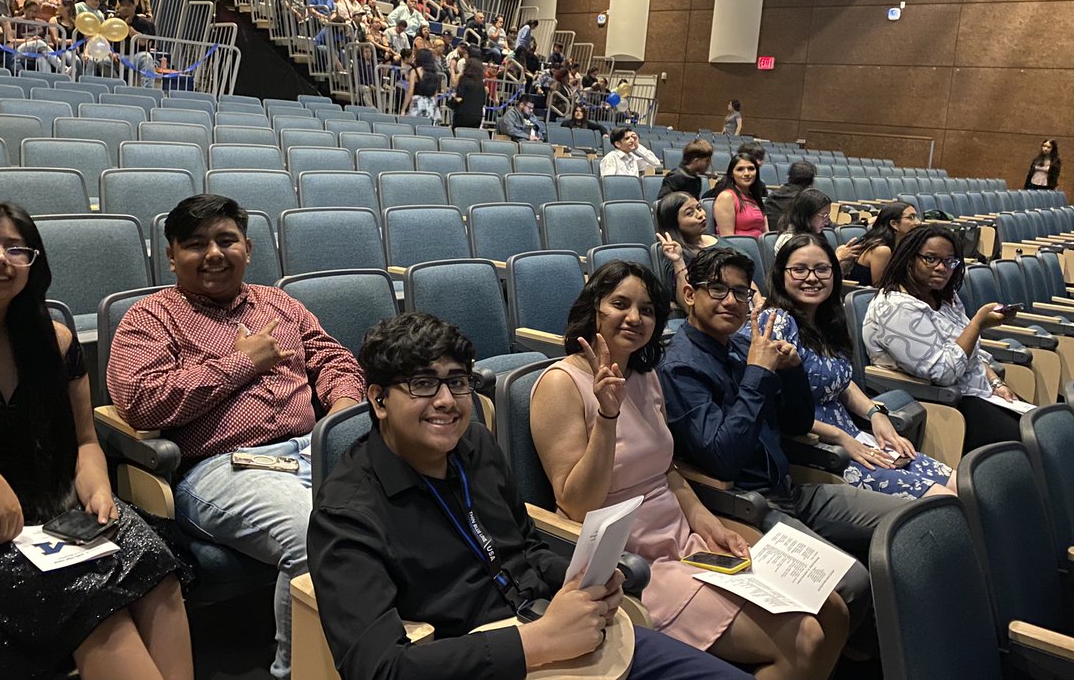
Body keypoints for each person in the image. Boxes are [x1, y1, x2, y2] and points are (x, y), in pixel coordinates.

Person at [309, 311, 751, 680]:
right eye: (422, 384)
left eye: (457, 382)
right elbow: (378, 669)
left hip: (554, 624)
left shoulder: (476, 446)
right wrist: (536, 642)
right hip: (483, 660)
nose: (446, 400)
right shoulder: (346, 513)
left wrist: (582, 583)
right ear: (379, 400)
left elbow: (526, 546)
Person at [530, 262, 848, 677]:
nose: (634, 318)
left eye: (647, 310)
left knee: (834, 609)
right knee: (804, 638)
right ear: (594, 310)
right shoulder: (560, 383)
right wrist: (607, 418)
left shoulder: (644, 376)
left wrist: (707, 522)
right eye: (620, 304)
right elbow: (575, 505)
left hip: (684, 541)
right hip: (633, 562)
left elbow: (667, 471)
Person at [106, 194, 366, 680]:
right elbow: (141, 399)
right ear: (170, 255)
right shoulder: (150, 317)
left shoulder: (279, 302)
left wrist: (344, 412)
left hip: (314, 445)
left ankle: (380, 653)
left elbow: (333, 359)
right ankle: (299, 671)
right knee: (316, 533)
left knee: (403, 501)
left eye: (226, 240)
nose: (213, 254)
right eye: (195, 244)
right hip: (223, 467)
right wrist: (242, 363)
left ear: (247, 247)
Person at [0, 202, 192, 680]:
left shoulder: (56, 341)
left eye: (17, 250)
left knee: (156, 567)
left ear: (34, 265)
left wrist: (96, 487)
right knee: (87, 598)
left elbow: (86, 440)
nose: (0, 260)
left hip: (53, 508)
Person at [658, 247, 903, 631]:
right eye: (717, 290)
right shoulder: (680, 367)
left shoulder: (743, 347)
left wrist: (791, 372)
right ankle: (847, 652)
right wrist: (758, 373)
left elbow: (798, 423)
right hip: (746, 505)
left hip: (791, 487)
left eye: (741, 293)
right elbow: (723, 457)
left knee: (907, 520)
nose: (731, 301)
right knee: (854, 582)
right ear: (690, 295)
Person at [761, 234, 954, 498]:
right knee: (942, 499)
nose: (812, 278)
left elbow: (840, 383)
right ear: (781, 275)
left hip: (854, 438)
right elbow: (776, 408)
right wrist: (843, 439)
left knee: (958, 483)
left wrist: (876, 414)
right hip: (818, 449)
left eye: (822, 269)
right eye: (799, 270)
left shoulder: (828, 321)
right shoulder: (777, 323)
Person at [862, 225, 1023, 454]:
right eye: (931, 259)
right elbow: (944, 373)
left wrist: (996, 382)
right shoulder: (895, 308)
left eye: (950, 261)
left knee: (1042, 427)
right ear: (909, 260)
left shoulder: (945, 298)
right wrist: (976, 324)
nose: (942, 268)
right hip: (945, 403)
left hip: (980, 391)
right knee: (1029, 446)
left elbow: (972, 354)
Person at [655, 191, 731, 311]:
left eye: (699, 208)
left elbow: (739, 274)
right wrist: (678, 261)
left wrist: (757, 300)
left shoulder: (717, 240)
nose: (701, 215)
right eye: (690, 213)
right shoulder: (673, 255)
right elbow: (689, 307)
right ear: (674, 224)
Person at [774, 188, 861, 273]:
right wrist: (838, 258)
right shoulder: (788, 239)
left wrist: (843, 264)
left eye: (828, 215)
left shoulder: (815, 236)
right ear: (807, 215)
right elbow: (806, 274)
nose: (827, 221)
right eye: (823, 215)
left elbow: (825, 275)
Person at [846, 202, 920, 286]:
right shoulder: (882, 250)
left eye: (916, 217)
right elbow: (880, 287)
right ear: (894, 224)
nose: (918, 222)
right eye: (911, 217)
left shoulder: (903, 245)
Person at [711, 153, 768, 237]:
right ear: (731, 174)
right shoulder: (726, 197)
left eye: (751, 169)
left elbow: (765, 233)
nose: (747, 173)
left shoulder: (755, 197)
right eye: (740, 169)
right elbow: (728, 238)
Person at [763, 161, 816, 228]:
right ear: (812, 183)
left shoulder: (772, 196)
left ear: (788, 177)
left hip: (773, 237)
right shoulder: (810, 200)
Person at [448, 55, 488, 129]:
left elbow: (459, 98)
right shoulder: (481, 84)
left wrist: (452, 101)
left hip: (463, 115)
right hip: (477, 116)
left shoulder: (464, 80)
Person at [403, 47, 443, 119]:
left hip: (417, 103)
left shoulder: (415, 71)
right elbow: (435, 94)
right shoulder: (435, 73)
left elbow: (410, 91)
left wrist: (403, 109)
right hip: (431, 104)